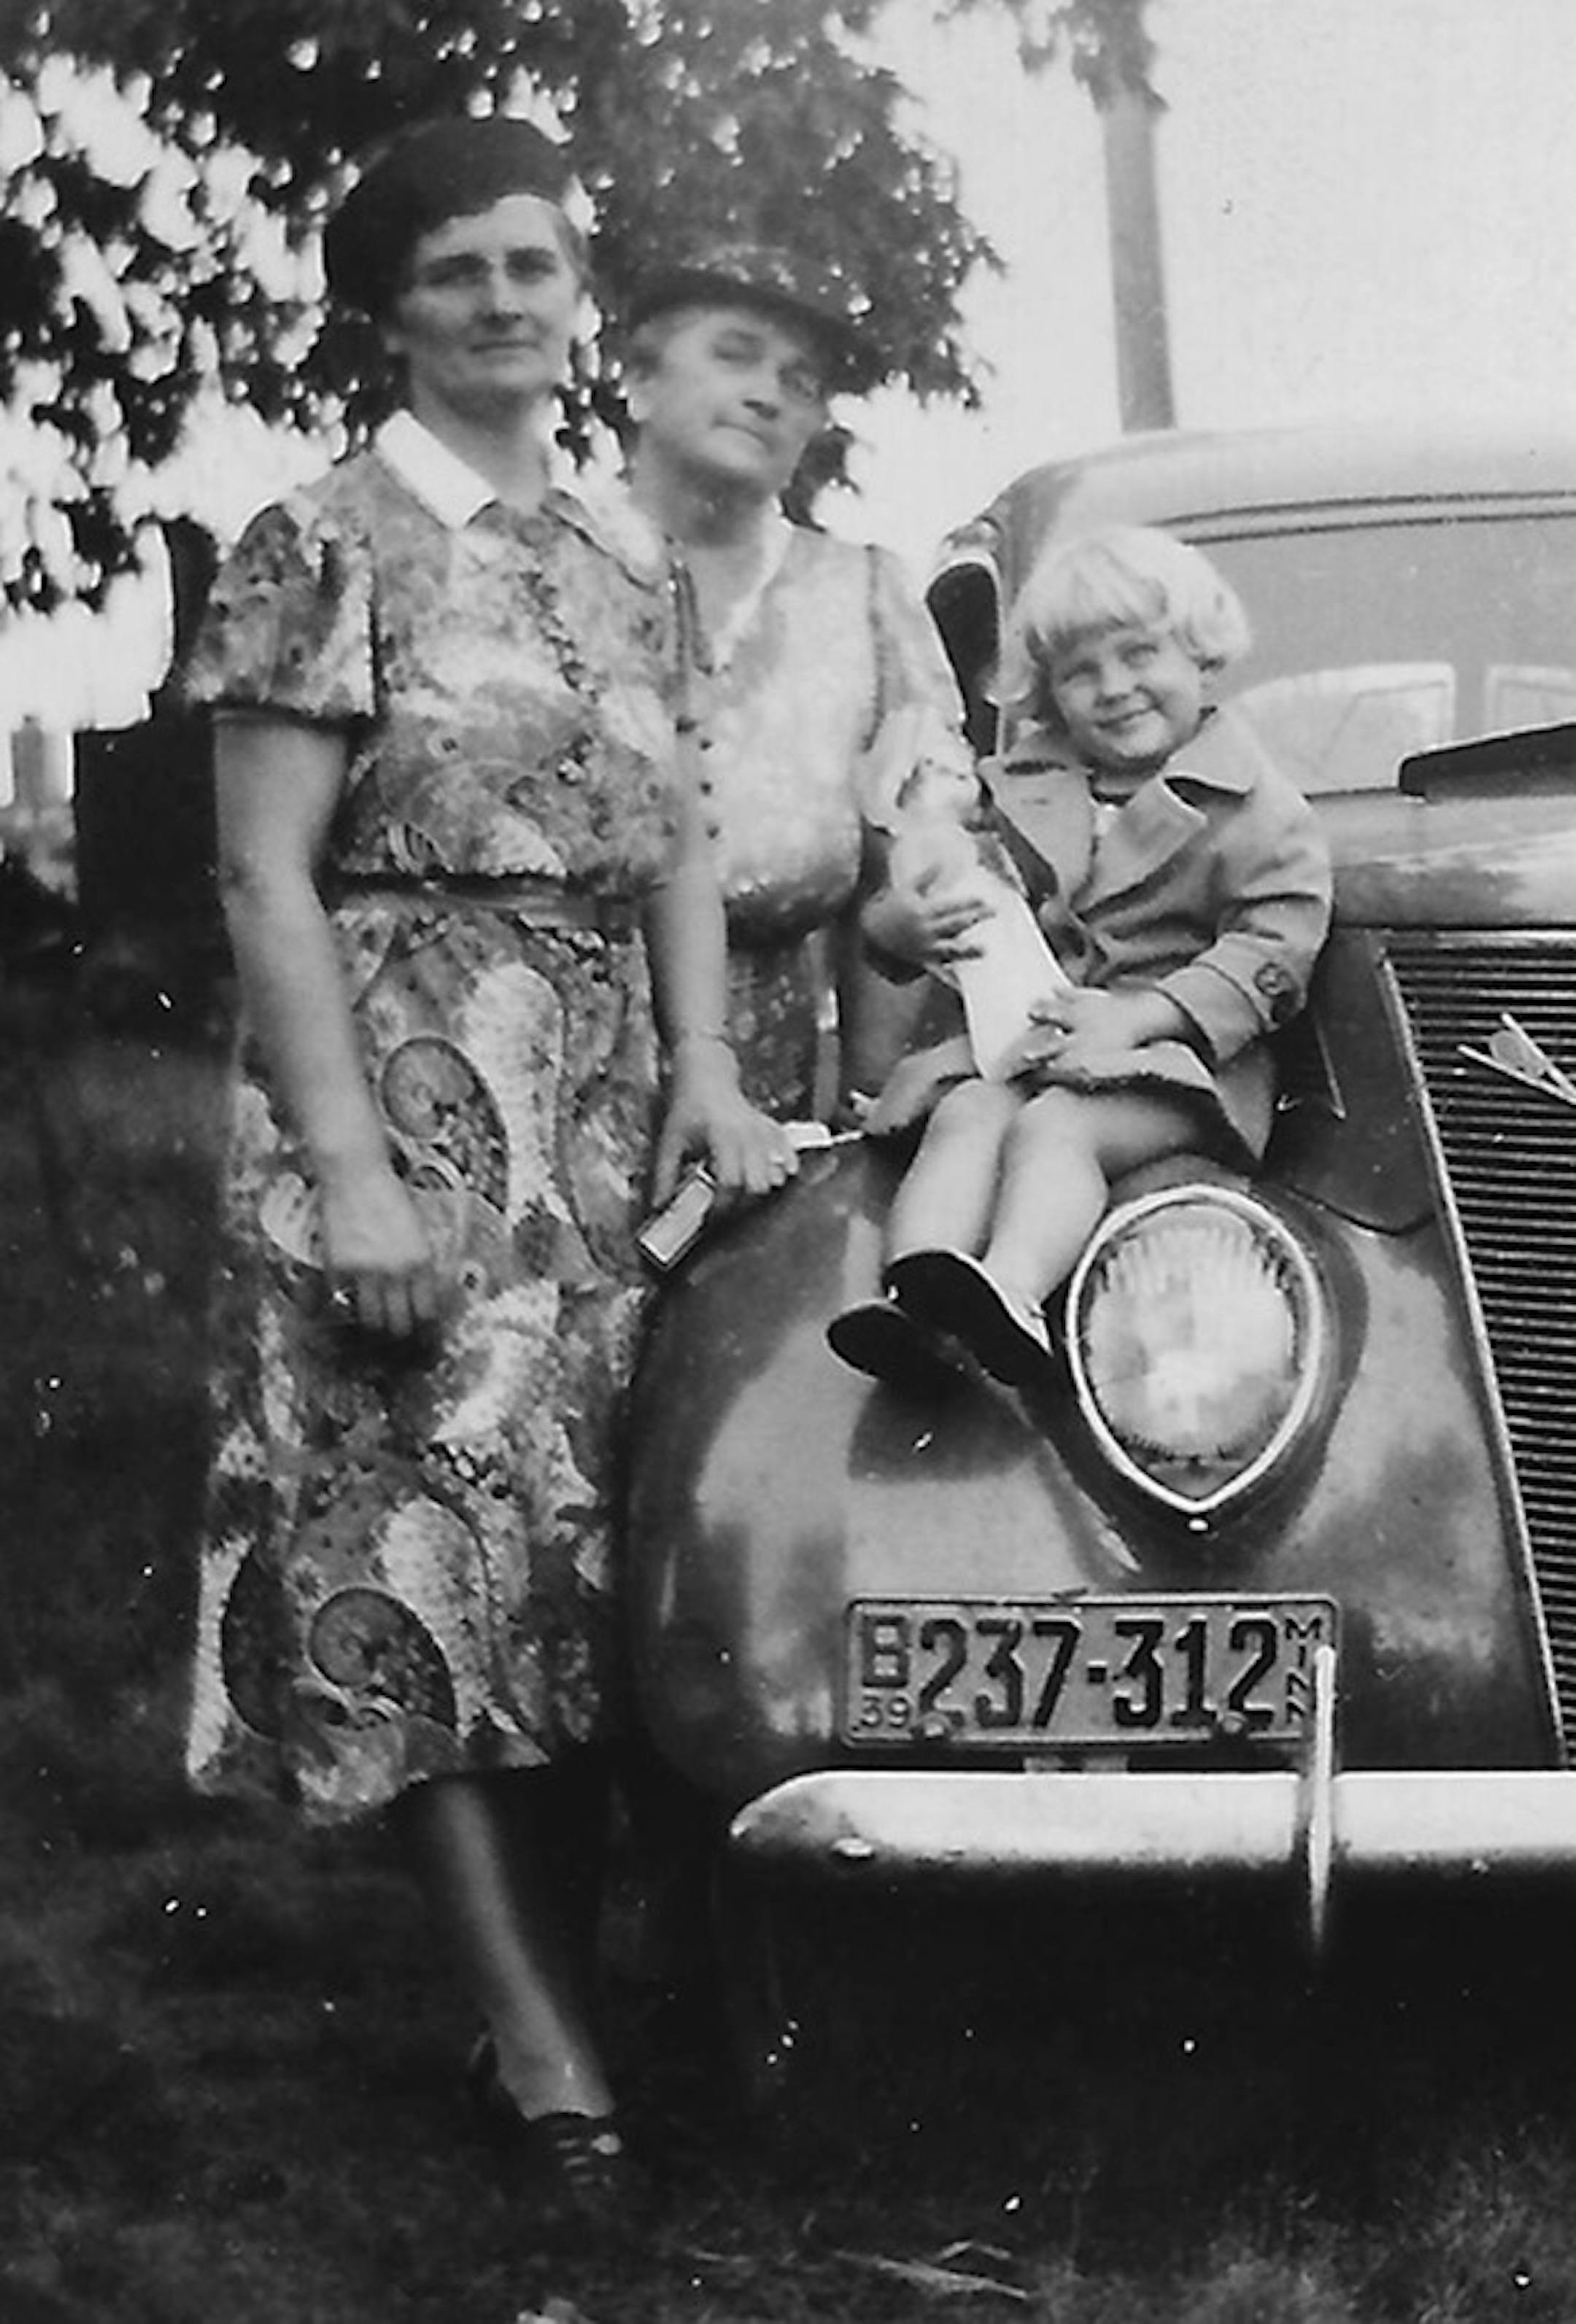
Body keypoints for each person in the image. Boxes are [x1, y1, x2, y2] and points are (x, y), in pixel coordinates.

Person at [181, 116, 789, 2238]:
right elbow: (262, 878)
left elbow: (680, 835)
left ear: (578, 294)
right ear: (390, 308)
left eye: (536, 263)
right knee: (418, 1568)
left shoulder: (626, 558)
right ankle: (546, 2062)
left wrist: (704, 1068)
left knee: (583, 1578)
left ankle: (566, 2009)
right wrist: (351, 1174)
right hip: (396, 1099)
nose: (507, 302)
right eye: (459, 270)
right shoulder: (316, 540)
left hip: (599, 1127)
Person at [828, 523, 1333, 1390]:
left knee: (1054, 1130)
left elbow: (1276, 941)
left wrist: (1145, 1015)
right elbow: (956, 893)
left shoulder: (1254, 805)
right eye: (1081, 672)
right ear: (1050, 693)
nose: (1115, 688)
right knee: (965, 1115)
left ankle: (1012, 1292)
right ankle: (916, 1295)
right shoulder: (1017, 789)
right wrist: (901, 926)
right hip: (1028, 1044)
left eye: (1140, 655)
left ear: (1200, 657)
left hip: (1176, 1066)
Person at [616, 241, 981, 1118]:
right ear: (639, 380)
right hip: (560, 1050)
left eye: (800, 380)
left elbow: (912, 854)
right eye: (734, 355)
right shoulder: (542, 564)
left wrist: (867, 1105)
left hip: (770, 1093)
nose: (767, 394)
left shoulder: (861, 596)